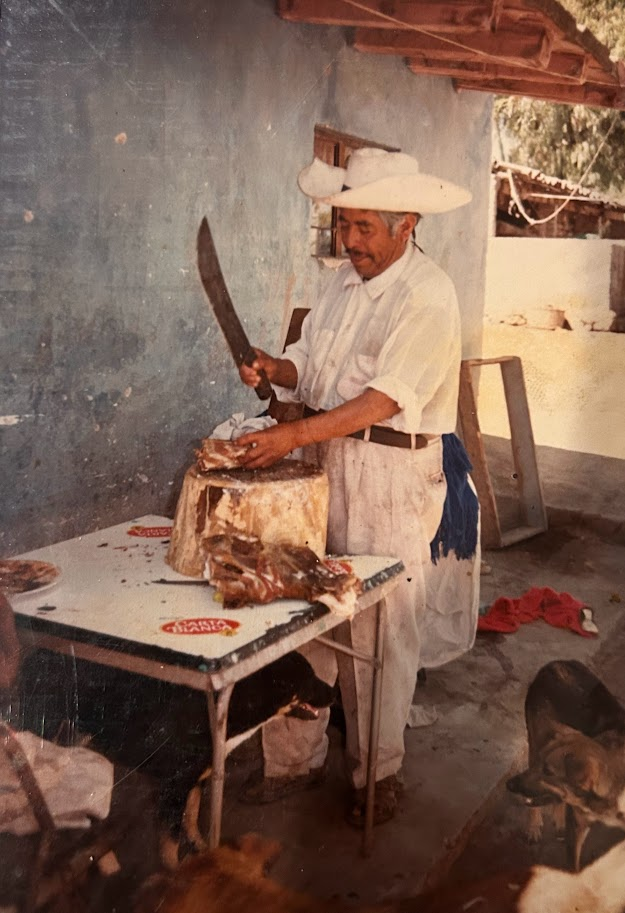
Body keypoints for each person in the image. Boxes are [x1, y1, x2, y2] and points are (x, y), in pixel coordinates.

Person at [236, 146, 476, 826]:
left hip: (391, 473)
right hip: (327, 461)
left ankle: (378, 773)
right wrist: (274, 368)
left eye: (364, 227)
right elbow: (310, 366)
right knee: (305, 609)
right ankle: (292, 759)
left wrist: (288, 437)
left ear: (406, 225)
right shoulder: (344, 284)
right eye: (344, 225)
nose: (349, 241)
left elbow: (380, 401)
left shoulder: (426, 294)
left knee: (379, 626)